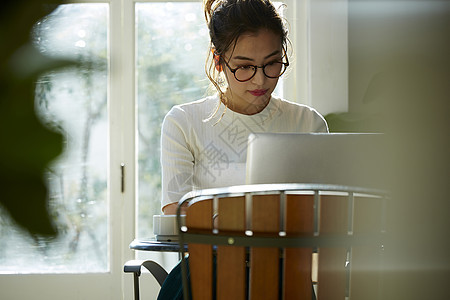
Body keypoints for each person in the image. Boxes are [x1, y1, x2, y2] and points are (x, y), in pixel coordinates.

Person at [158, 0, 328, 298]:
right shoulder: (184, 121)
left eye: (272, 62)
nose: (261, 79)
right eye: (245, 67)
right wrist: (263, 217)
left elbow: (323, 214)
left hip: (284, 279)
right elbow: (175, 209)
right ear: (219, 60)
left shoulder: (307, 122)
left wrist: (223, 215)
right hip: (205, 273)